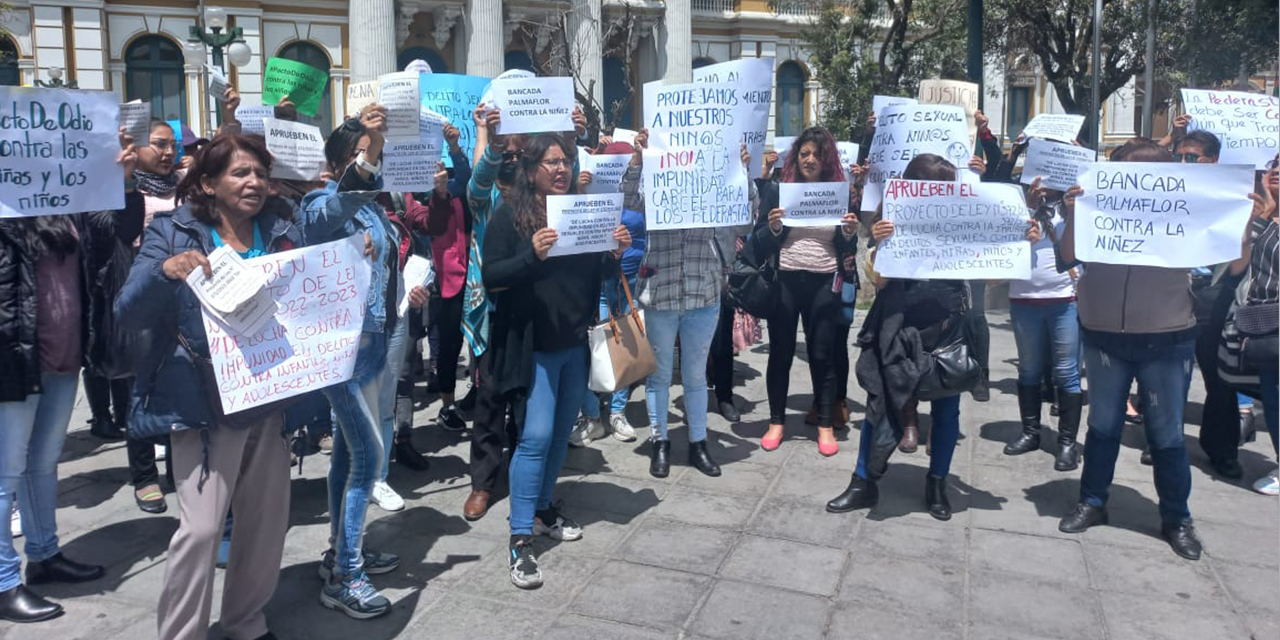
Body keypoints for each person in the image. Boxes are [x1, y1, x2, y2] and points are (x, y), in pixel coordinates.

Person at [117, 133, 298, 640]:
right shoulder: (172, 232)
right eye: (240, 173)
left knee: (264, 525)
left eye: (260, 172)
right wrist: (164, 273)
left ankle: (246, 622)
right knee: (199, 531)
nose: (254, 182)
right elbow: (126, 312)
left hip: (269, 395)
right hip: (200, 400)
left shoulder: (283, 229)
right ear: (208, 183)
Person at [827, 154, 1016, 520]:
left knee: (947, 408)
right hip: (896, 326)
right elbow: (879, 281)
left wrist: (1017, 243)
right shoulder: (890, 220)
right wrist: (880, 243)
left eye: (946, 188)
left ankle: (937, 483)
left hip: (945, 327)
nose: (940, 196)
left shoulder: (962, 219)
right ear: (911, 188)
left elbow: (992, 276)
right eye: (934, 188)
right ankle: (862, 483)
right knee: (880, 402)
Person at [0, 132, 139, 623]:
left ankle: (43, 555)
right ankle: (2, 580)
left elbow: (111, 240)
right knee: (6, 472)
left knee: (43, 464)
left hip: (64, 353)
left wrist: (118, 182)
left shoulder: (70, 204)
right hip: (14, 356)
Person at [482, 133, 630, 589]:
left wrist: (613, 253)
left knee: (561, 436)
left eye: (565, 161)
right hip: (535, 347)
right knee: (535, 437)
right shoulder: (509, 216)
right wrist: (533, 254)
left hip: (574, 344)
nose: (561, 169)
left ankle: (544, 509)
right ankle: (520, 539)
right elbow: (491, 276)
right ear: (530, 170)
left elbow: (596, 274)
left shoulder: (583, 211)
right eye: (550, 162)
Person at [1054, 139, 1204, 560]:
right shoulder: (1093, 206)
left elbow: (1230, 264)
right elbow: (1069, 257)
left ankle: (1177, 518)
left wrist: (1240, 220)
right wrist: (1074, 211)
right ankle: (1093, 501)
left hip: (1168, 336)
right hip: (1104, 334)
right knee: (1102, 425)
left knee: (1168, 434)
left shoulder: (1186, 208)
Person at [300, 106, 402, 618]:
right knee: (369, 456)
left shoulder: (375, 208)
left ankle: (338, 551)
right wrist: (369, 149)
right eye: (368, 152)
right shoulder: (319, 202)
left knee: (346, 453)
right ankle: (346, 576)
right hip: (339, 351)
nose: (377, 158)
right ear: (346, 158)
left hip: (371, 344)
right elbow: (331, 214)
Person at [622, 131, 745, 477]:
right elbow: (628, 202)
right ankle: (660, 442)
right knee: (659, 377)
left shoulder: (714, 177)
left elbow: (745, 216)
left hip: (702, 293)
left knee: (693, 376)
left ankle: (698, 444)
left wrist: (739, 169)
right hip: (660, 293)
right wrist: (637, 160)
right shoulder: (657, 171)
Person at [753, 126, 859, 456]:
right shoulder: (778, 191)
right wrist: (772, 228)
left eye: (816, 154)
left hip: (825, 281)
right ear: (795, 159)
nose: (809, 159)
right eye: (804, 154)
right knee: (781, 352)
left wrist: (849, 233)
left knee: (822, 354)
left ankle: (825, 425)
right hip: (785, 281)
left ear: (826, 159)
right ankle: (776, 422)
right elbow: (758, 241)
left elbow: (846, 245)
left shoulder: (839, 194)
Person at [1171, 131, 1251, 480]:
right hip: (1171, 291)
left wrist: (1246, 222)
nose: (1183, 163)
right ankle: (1164, 440)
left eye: (1191, 157)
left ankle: (1222, 450)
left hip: (1213, 295)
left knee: (1220, 381)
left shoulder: (1233, 198)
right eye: (1180, 157)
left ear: (1212, 160)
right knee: (1169, 375)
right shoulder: (1166, 191)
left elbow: (1237, 266)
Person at [461, 105, 525, 522]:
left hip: (527, 308)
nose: (511, 156)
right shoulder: (483, 200)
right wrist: (489, 137)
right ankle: (483, 482)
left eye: (518, 152)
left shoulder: (536, 198)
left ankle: (522, 473)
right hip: (488, 311)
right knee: (488, 400)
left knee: (524, 398)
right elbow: (478, 179)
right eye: (506, 152)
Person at [1001, 177, 1084, 471]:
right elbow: (999, 245)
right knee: (1029, 369)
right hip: (1024, 299)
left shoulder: (1073, 206)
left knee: (1067, 372)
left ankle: (1067, 443)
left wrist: (1075, 210)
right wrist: (1026, 207)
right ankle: (1031, 433)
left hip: (1064, 300)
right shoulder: (1018, 207)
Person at [574, 141, 647, 445]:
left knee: (622, 349)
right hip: (595, 282)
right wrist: (579, 192)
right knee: (587, 352)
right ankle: (592, 415)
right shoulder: (588, 190)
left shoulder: (640, 195)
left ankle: (617, 412)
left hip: (629, 282)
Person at [1230, 156, 1279, 495]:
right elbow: (1237, 265)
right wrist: (1263, 210)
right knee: (1274, 398)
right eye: (1274, 164)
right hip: (1264, 324)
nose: (1275, 170)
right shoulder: (1267, 217)